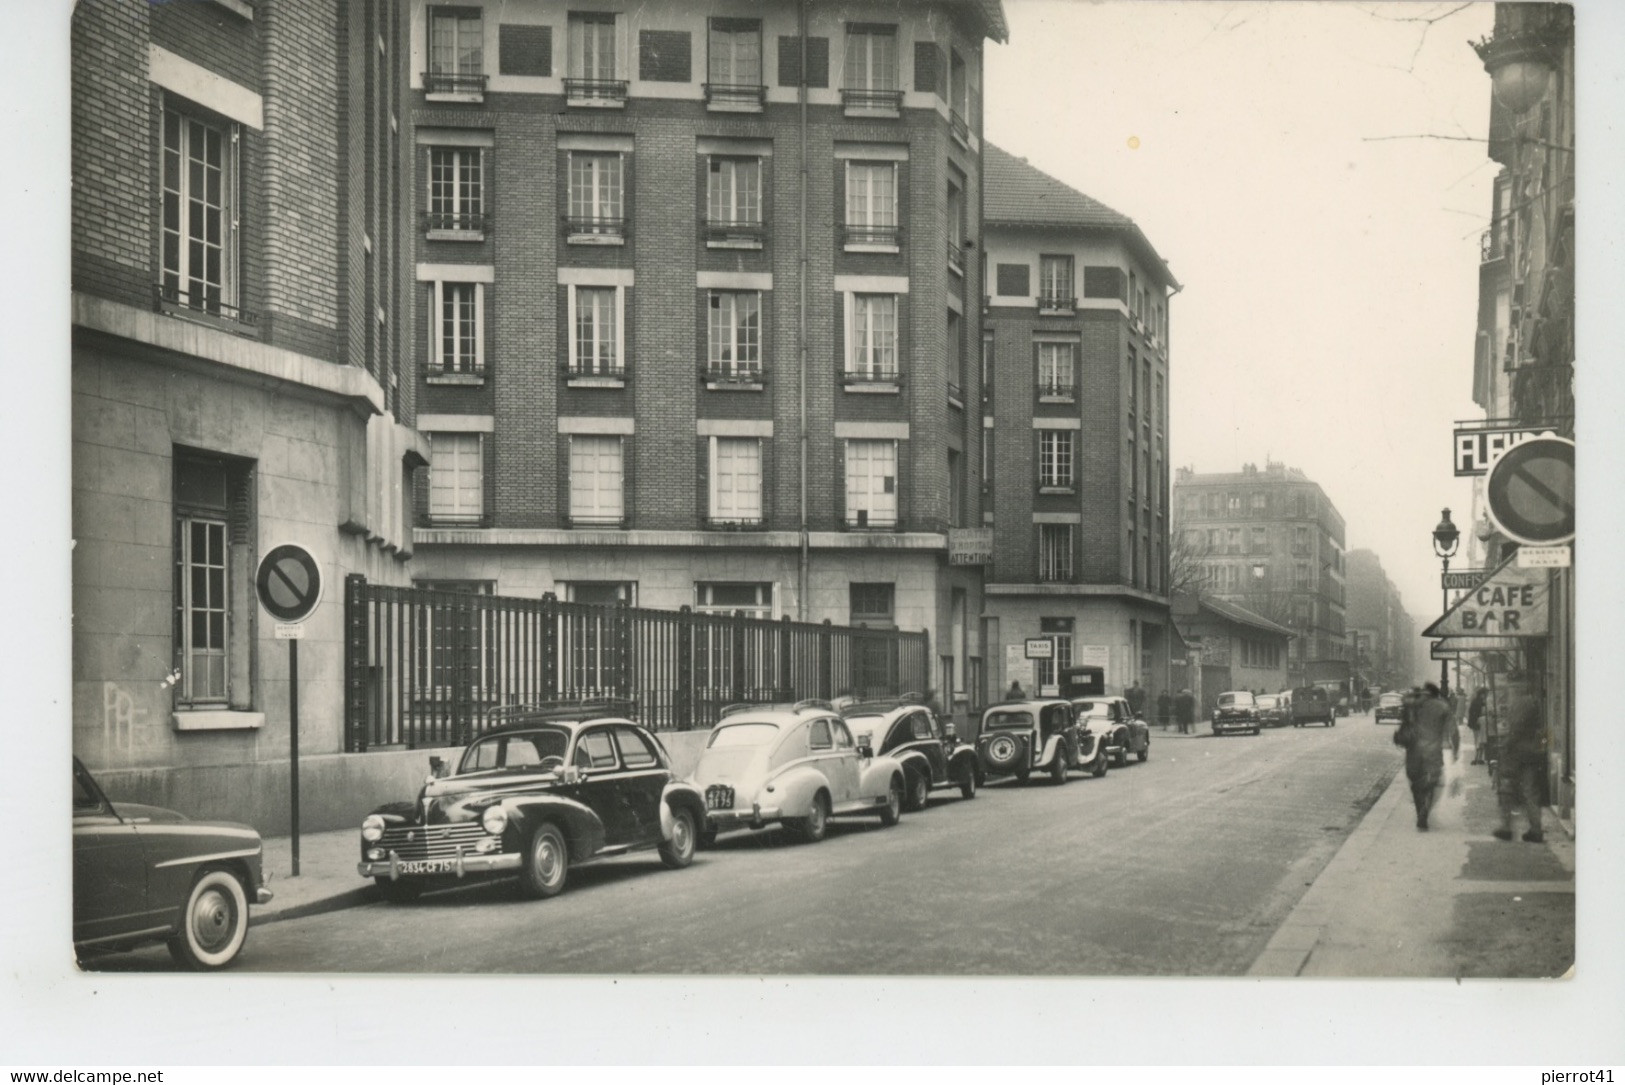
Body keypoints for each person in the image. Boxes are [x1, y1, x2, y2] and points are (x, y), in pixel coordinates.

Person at [1401, 682, 1459, 831]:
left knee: (1415, 782)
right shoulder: (1442, 706)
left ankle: (1419, 809)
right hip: (1433, 750)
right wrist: (1455, 751)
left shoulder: (1413, 703)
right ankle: (1424, 812)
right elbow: (1453, 731)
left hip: (1413, 750)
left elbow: (1404, 723)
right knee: (1430, 783)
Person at [1494, 684, 1546, 843]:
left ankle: (1506, 828)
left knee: (1507, 789)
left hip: (1517, 755)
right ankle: (1536, 830)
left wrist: (1505, 745)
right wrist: (1543, 751)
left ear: (1516, 689)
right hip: (1532, 754)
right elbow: (1544, 730)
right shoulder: (1536, 703)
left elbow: (1516, 729)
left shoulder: (1520, 703)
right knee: (1530, 792)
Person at [1466, 687, 1489, 765]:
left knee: (1478, 740)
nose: (1486, 696)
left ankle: (1478, 758)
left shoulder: (1476, 701)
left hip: (1475, 723)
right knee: (1480, 740)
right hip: (1478, 723)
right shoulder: (1479, 702)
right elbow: (1476, 714)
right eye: (1486, 694)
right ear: (1482, 694)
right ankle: (1477, 758)